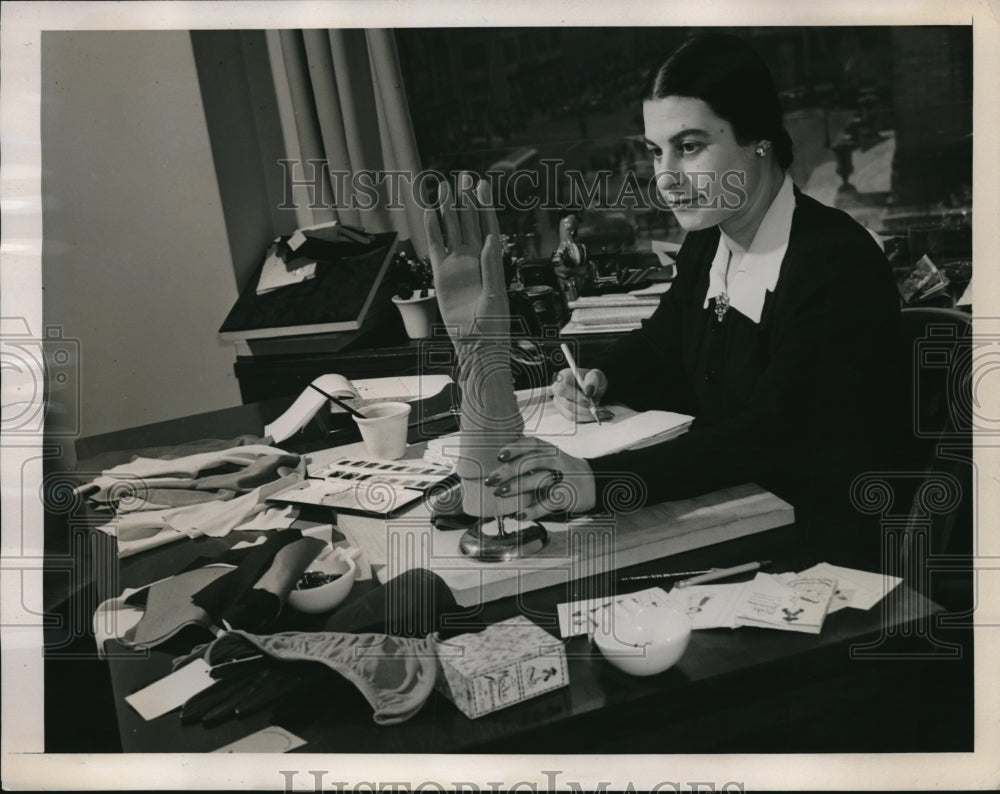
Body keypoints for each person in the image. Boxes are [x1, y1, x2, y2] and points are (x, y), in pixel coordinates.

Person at [433, 33, 900, 566]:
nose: (667, 179)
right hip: (732, 509)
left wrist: (594, 480)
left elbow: (771, 433)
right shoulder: (709, 238)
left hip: (817, 548)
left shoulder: (835, 261)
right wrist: (601, 377)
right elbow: (664, 340)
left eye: (691, 146)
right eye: (657, 151)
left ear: (759, 138)